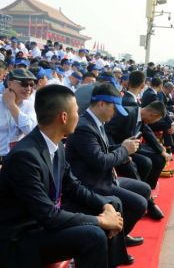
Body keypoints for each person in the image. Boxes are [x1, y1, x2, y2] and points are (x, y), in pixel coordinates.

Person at [0, 84, 128, 267]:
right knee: (94, 235)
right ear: (64, 116)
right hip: (20, 237)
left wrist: (105, 205)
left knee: (112, 204)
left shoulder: (55, 144)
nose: (80, 115)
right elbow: (49, 217)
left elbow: (73, 186)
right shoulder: (25, 157)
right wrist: (100, 220)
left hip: (42, 224)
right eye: (77, 111)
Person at [65, 84, 150, 248]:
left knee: (144, 189)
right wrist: (124, 151)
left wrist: (121, 150)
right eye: (114, 107)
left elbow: (103, 150)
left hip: (104, 178)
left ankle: (120, 234)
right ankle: (115, 239)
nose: (115, 112)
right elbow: (100, 161)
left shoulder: (96, 122)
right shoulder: (84, 127)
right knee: (139, 203)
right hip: (91, 183)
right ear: (101, 104)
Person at [105, 101, 170, 220]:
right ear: (153, 115)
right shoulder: (126, 114)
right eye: (156, 120)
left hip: (130, 149)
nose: (154, 123)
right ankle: (148, 202)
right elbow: (107, 133)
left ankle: (146, 191)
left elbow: (148, 134)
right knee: (133, 165)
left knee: (157, 160)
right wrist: (120, 153)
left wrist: (161, 151)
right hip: (115, 151)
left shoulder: (141, 118)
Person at [0, 68, 37, 164]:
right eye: (24, 84)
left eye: (32, 85)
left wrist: (11, 105)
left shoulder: (30, 105)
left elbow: (30, 131)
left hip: (16, 161)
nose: (29, 88)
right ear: (9, 84)